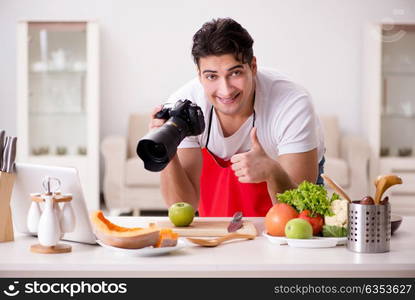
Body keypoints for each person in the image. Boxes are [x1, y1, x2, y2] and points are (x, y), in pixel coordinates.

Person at [149, 18, 325, 217]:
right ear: (199, 76)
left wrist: (272, 171)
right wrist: (168, 151)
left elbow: (298, 211)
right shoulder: (186, 106)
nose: (225, 90)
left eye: (235, 73)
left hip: (288, 184)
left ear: (253, 66)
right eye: (211, 76)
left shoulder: (292, 104)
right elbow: (185, 205)